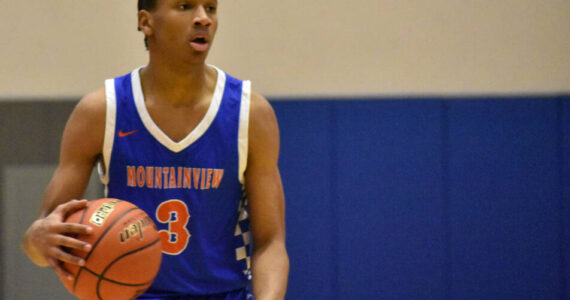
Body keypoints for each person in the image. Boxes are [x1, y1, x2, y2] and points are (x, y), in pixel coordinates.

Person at [21, 0, 289, 299]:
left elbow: (271, 242)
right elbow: (43, 240)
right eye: (185, 6)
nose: (203, 19)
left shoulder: (250, 113)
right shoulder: (101, 111)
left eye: (211, 8)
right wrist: (36, 239)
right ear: (147, 22)